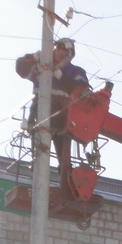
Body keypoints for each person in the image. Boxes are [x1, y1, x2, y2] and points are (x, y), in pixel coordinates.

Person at [15, 38, 89, 199]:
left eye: (65, 51)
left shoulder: (76, 71)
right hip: (40, 113)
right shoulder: (40, 67)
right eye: (57, 48)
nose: (60, 52)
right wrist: (36, 56)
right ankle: (38, 181)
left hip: (63, 116)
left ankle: (67, 187)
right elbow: (20, 68)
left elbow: (78, 91)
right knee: (40, 152)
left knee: (64, 157)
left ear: (70, 55)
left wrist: (57, 71)